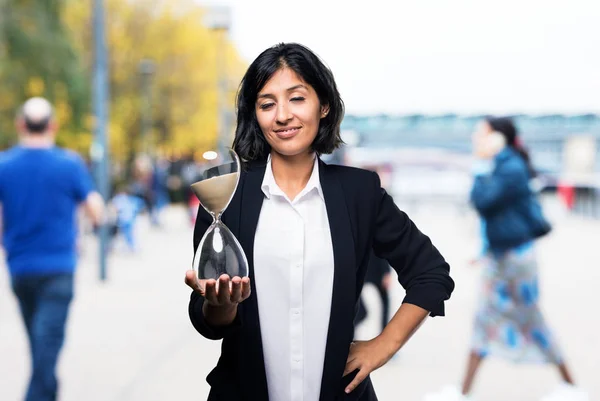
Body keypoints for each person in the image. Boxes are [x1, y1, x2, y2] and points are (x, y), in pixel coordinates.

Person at [184, 43, 455, 401]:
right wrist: (222, 304)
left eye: (297, 98)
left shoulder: (359, 192)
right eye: (267, 104)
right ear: (256, 115)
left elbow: (431, 274)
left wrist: (382, 346)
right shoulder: (225, 195)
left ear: (323, 105)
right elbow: (208, 321)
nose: (282, 116)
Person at [423, 117, 587, 401]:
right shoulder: (504, 165)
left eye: (482, 134)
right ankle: (463, 391)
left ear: (498, 138)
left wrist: (480, 165)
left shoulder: (509, 167)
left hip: (514, 261)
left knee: (528, 319)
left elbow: (484, 201)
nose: (476, 139)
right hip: (504, 258)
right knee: (491, 319)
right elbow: (490, 211)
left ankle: (570, 386)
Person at [0, 97, 104, 401]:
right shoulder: (69, 164)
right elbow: (96, 209)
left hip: (20, 268)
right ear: (53, 126)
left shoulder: (4, 165)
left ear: (21, 125)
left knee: (40, 346)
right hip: (59, 268)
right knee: (45, 350)